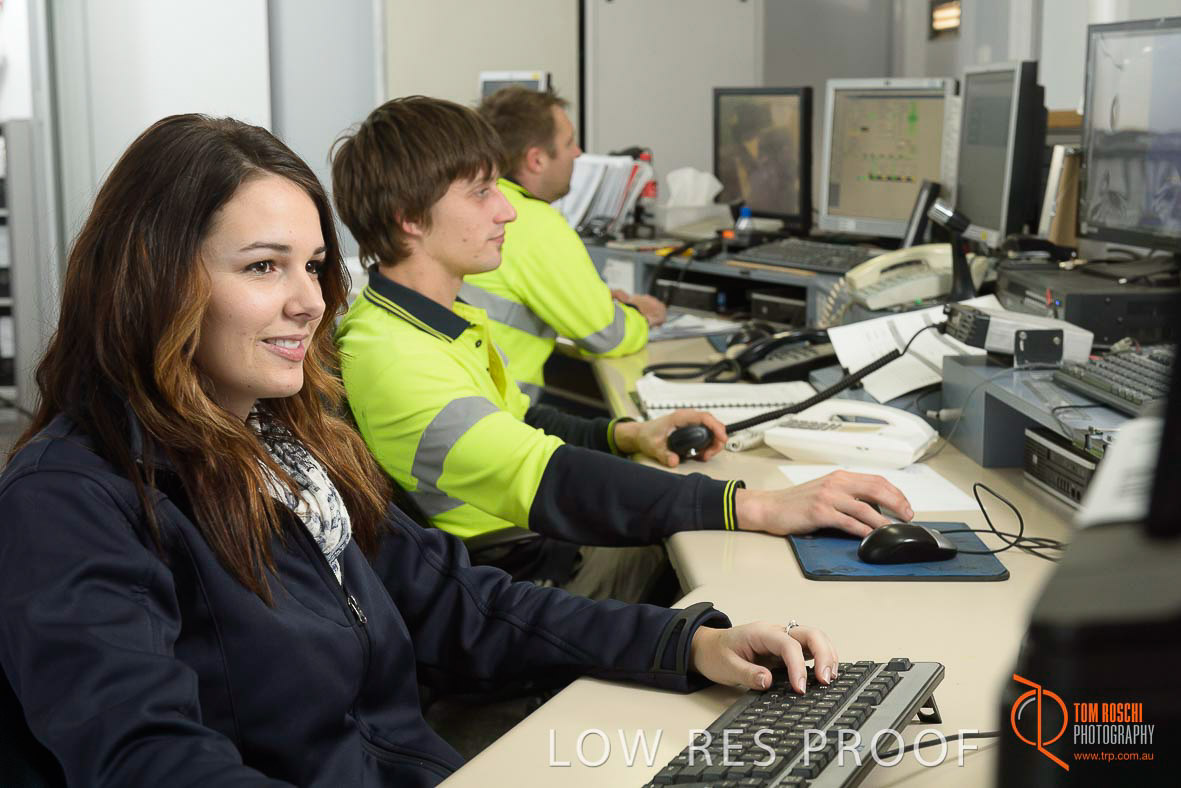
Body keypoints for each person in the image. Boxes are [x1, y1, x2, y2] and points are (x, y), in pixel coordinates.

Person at [0, 114, 840, 787]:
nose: (308, 302)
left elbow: (454, 598)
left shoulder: (285, 442)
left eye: (313, 266)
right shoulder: (72, 496)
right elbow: (147, 759)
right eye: (262, 267)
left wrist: (685, 645)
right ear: (153, 279)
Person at [332, 96, 913, 600]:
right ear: (410, 219)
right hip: (511, 574)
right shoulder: (395, 355)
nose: (507, 210)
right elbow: (547, 478)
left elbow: (520, 423)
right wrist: (754, 504)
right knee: (737, 561)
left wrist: (629, 435)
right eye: (483, 192)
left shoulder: (428, 319)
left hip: (518, 542)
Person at [462, 86, 666, 399]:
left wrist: (595, 299)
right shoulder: (532, 222)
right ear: (536, 160)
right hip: (501, 408)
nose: (578, 153)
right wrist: (639, 313)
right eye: (569, 142)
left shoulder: (471, 205)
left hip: (470, 395)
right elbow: (608, 336)